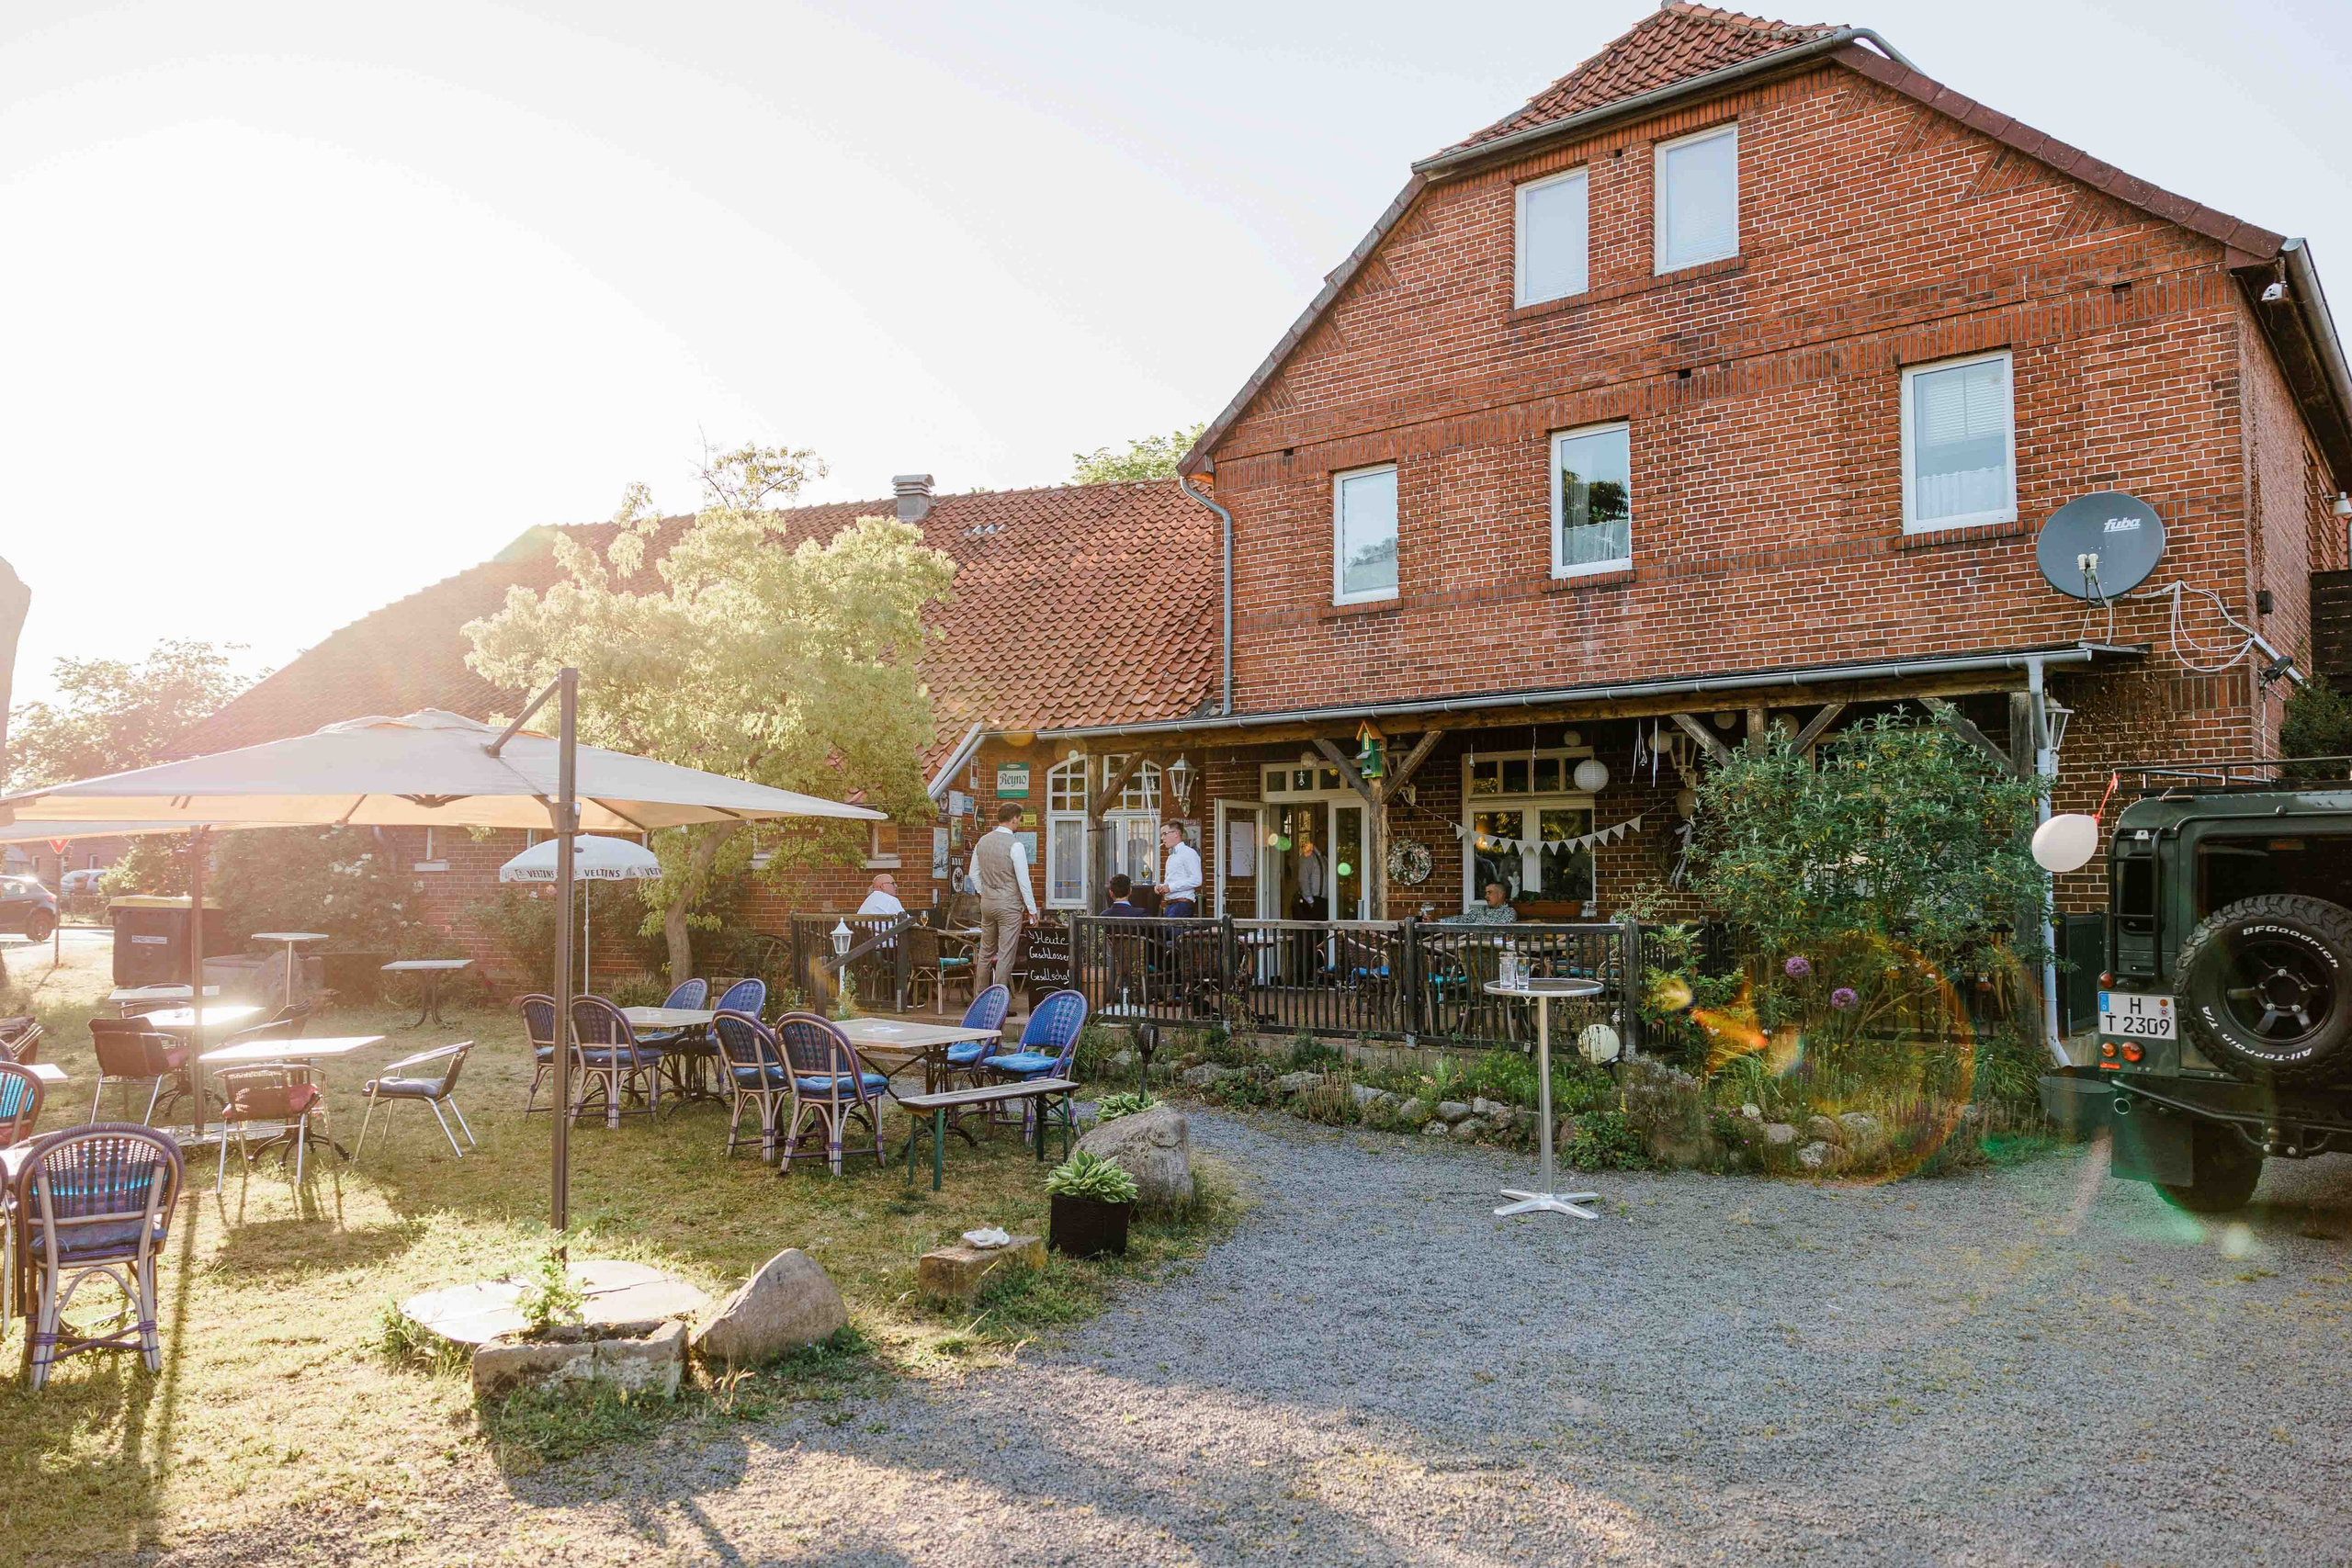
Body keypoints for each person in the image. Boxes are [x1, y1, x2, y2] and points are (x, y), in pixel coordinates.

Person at [968, 801, 1037, 993]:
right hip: (1009, 905)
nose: (1019, 822)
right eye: (1019, 819)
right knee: (1005, 955)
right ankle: (998, 1000)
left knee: (985, 953)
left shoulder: (982, 842)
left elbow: (973, 873)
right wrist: (1032, 909)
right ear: (1014, 818)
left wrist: (984, 892)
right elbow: (1023, 881)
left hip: (987, 904)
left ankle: (980, 998)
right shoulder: (1015, 845)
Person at [1155, 820, 1201, 918]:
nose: (1162, 838)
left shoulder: (1189, 853)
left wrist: (1170, 887)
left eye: (1165, 834)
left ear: (1176, 834)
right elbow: (1173, 879)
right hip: (1170, 905)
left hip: (1182, 905)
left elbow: (1197, 880)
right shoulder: (1171, 856)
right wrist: (1161, 887)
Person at [1449, 881, 1520, 925]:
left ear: (1500, 894)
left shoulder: (1508, 912)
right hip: (1475, 944)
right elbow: (1462, 919)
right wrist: (1443, 921)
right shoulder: (1481, 910)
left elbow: (1498, 929)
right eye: (1486, 893)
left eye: (1489, 893)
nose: (1486, 896)